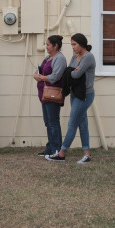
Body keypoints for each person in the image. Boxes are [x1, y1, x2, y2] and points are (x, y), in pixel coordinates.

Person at [46, 33, 96, 164]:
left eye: (74, 44)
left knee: (72, 123)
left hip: (85, 95)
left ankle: (62, 154)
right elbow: (69, 71)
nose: (72, 47)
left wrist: (72, 71)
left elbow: (75, 74)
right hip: (75, 93)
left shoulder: (88, 57)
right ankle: (87, 155)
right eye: (71, 44)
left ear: (82, 44)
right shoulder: (75, 57)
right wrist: (72, 70)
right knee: (82, 124)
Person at [33, 35, 67, 156]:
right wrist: (36, 74)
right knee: (48, 121)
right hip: (44, 94)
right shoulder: (48, 57)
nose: (46, 47)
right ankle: (50, 147)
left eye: (48, 44)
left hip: (53, 94)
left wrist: (42, 77)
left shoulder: (60, 59)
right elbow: (40, 70)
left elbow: (56, 76)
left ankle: (56, 148)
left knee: (53, 122)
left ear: (55, 46)